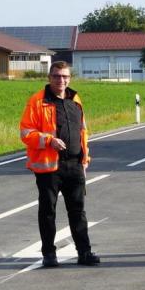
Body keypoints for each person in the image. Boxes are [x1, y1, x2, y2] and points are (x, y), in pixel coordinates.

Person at [20, 61, 100, 267]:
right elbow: (26, 133)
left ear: (69, 78)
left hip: (74, 165)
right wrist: (49, 140)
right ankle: (49, 254)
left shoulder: (76, 99)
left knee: (78, 211)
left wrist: (85, 158)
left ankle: (84, 252)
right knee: (48, 212)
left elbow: (83, 132)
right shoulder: (37, 102)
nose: (61, 80)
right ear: (49, 77)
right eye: (56, 76)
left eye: (64, 76)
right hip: (49, 167)